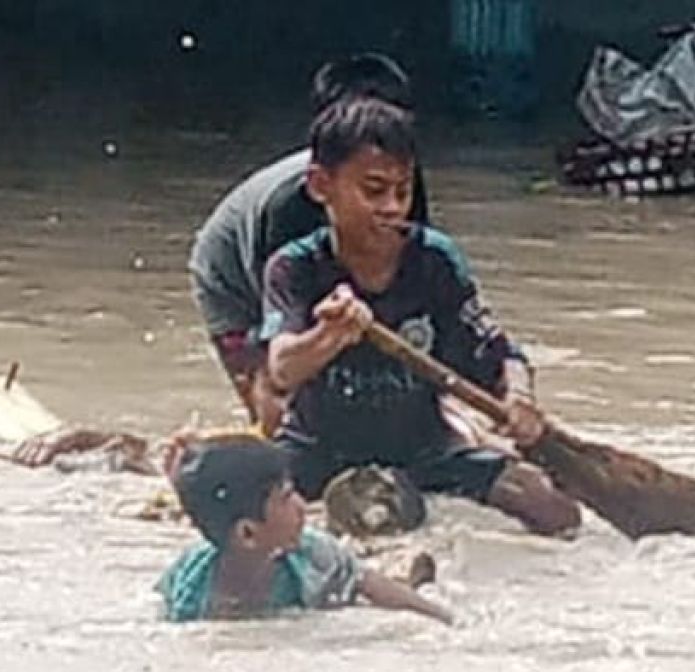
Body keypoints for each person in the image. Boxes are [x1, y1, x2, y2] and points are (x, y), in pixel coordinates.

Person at [261, 96, 582, 537]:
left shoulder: (434, 259)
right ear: (320, 186)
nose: (392, 207)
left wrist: (520, 401)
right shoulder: (293, 267)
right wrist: (331, 334)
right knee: (246, 512)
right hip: (316, 452)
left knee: (555, 511)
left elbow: (501, 353)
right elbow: (281, 369)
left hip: (426, 450)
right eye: (374, 191)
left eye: (403, 191)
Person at [188, 53, 431, 433]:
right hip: (234, 275)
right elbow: (282, 313)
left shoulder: (402, 184)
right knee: (276, 408)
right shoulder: (288, 205)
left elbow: (411, 283)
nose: (392, 204)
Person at [155, 434, 452, 624]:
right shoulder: (190, 587)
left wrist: (440, 617)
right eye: (286, 499)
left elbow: (370, 584)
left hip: (333, 591)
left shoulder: (312, 555)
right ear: (248, 534)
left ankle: (409, 571)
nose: (302, 505)